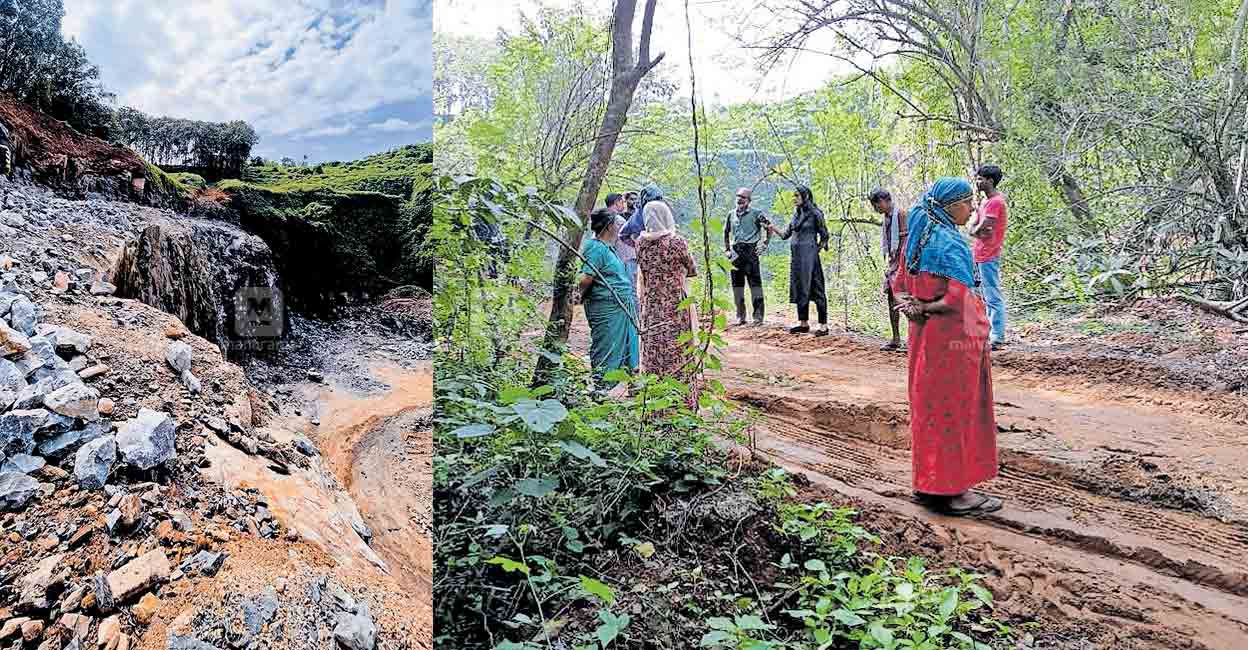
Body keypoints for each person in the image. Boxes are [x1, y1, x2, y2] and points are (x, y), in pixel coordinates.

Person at [894, 176, 1001, 515]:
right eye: (967, 202)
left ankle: (929, 485)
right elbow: (955, 299)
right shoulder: (950, 244)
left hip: (925, 341)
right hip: (955, 341)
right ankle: (954, 492)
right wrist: (926, 307)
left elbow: (897, 284)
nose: (971, 209)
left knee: (930, 410)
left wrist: (912, 307)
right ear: (949, 205)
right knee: (955, 411)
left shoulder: (916, 240)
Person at [635, 201, 701, 405]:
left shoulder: (640, 243)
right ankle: (680, 405)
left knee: (654, 353)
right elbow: (692, 269)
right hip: (676, 307)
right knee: (678, 353)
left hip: (652, 307)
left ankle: (655, 406)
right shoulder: (677, 243)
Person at [575, 208, 640, 391]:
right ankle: (602, 389)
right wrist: (577, 294)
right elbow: (586, 278)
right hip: (606, 308)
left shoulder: (608, 248)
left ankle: (631, 384)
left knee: (628, 345)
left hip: (621, 307)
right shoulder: (595, 248)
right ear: (609, 226)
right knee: (607, 347)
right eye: (616, 224)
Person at [766, 185, 829, 335]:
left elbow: (825, 235)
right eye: (793, 196)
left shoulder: (815, 213)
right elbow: (785, 235)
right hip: (797, 259)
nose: (794, 199)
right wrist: (771, 227)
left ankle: (823, 326)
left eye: (797, 196)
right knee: (800, 288)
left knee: (817, 289)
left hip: (810, 259)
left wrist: (815, 250)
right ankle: (803, 323)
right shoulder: (796, 214)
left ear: (805, 196)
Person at [970, 164, 1008, 350]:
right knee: (979, 295)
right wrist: (976, 230)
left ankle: (997, 337)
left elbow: (984, 227)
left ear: (990, 181)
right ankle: (984, 332)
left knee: (992, 295)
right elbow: (977, 226)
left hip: (989, 254)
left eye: (980, 179)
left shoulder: (996, 202)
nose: (977, 182)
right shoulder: (985, 202)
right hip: (979, 253)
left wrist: (976, 230)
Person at [723, 187, 771, 326]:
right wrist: (727, 249)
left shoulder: (756, 214)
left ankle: (758, 317)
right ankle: (740, 316)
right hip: (735, 252)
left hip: (751, 251)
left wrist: (765, 243)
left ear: (749, 200)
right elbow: (726, 232)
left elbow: (769, 227)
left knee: (755, 285)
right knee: (737, 285)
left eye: (743, 197)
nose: (740, 199)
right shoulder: (731, 214)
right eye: (738, 196)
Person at [870, 188, 909, 351]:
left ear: (883, 201)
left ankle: (913, 338)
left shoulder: (901, 214)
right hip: (893, 262)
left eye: (876, 205)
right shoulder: (887, 217)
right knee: (891, 299)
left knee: (905, 299)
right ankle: (895, 338)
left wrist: (903, 264)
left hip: (903, 262)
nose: (876, 209)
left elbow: (907, 239)